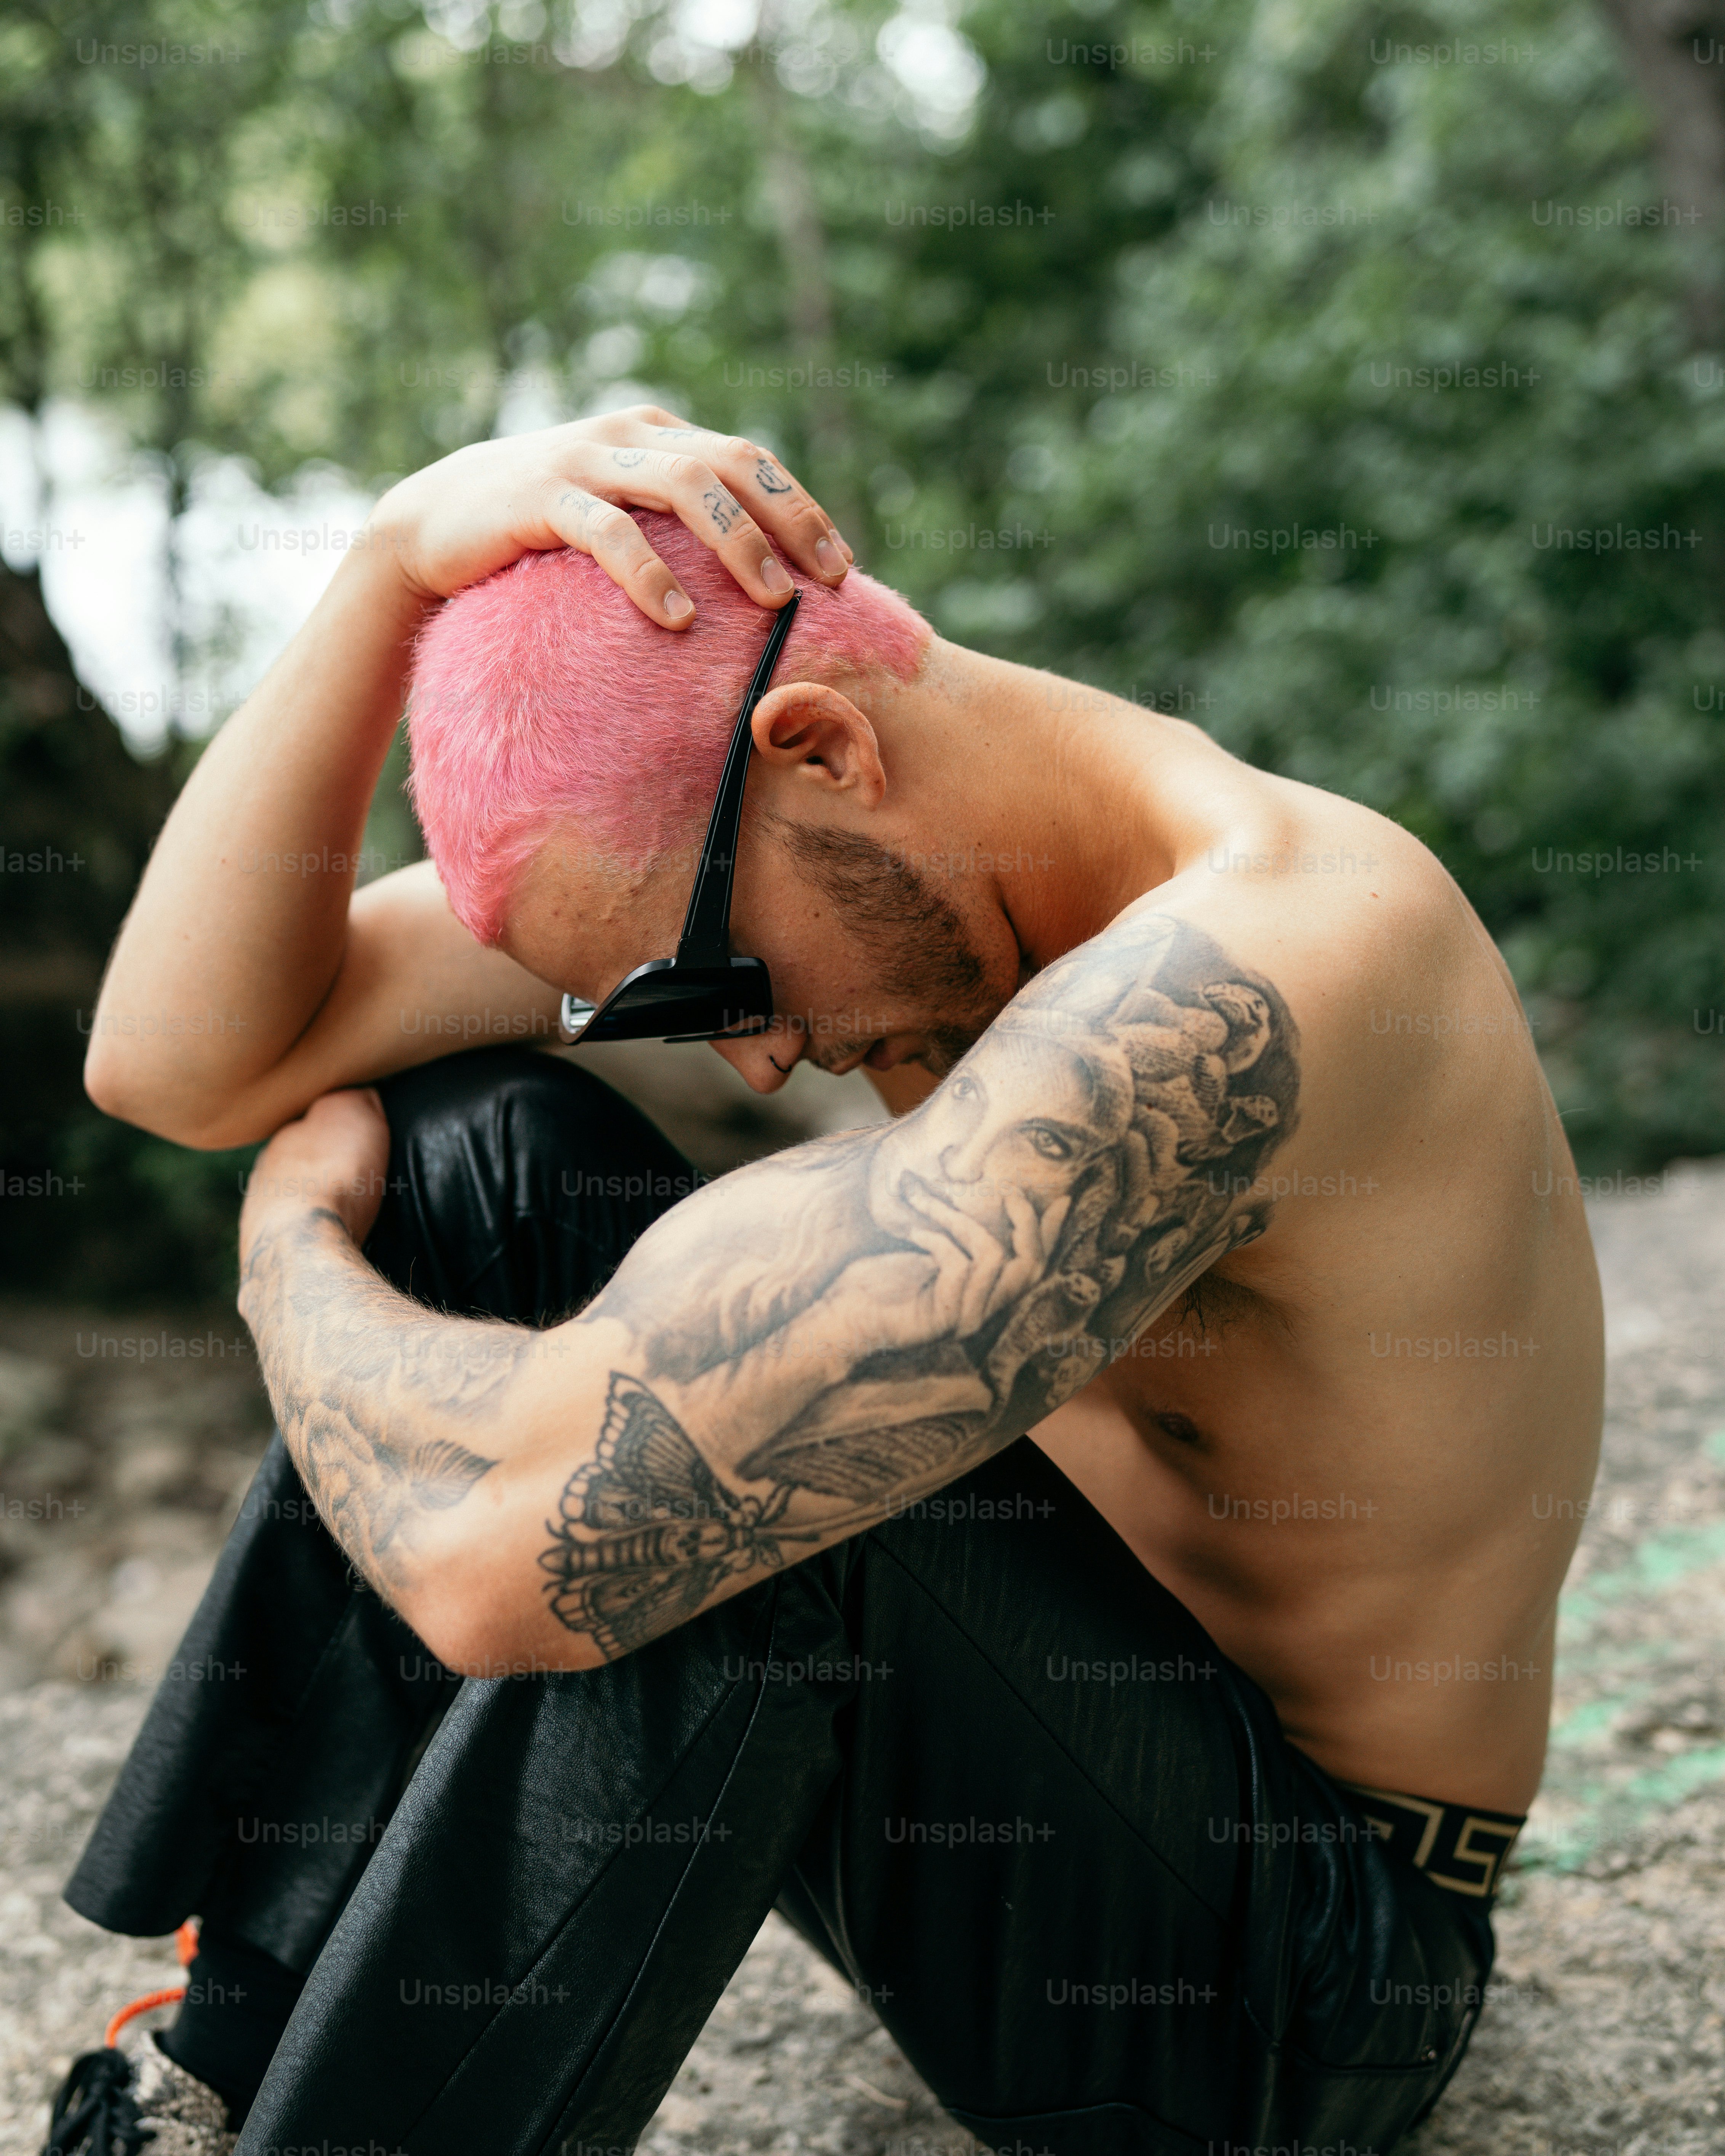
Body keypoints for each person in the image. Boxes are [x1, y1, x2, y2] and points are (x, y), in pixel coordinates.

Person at [47, 408, 1602, 2156]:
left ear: (823, 746)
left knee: (745, 1470)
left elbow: (508, 1572)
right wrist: (389, 561)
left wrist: (287, 1267)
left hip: (1296, 1981)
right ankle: (210, 2077)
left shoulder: (1279, 960)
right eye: (667, 1009)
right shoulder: (842, 874)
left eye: (710, 984)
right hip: (1023, 1789)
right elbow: (177, 1064)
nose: (758, 1055)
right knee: (473, 1147)